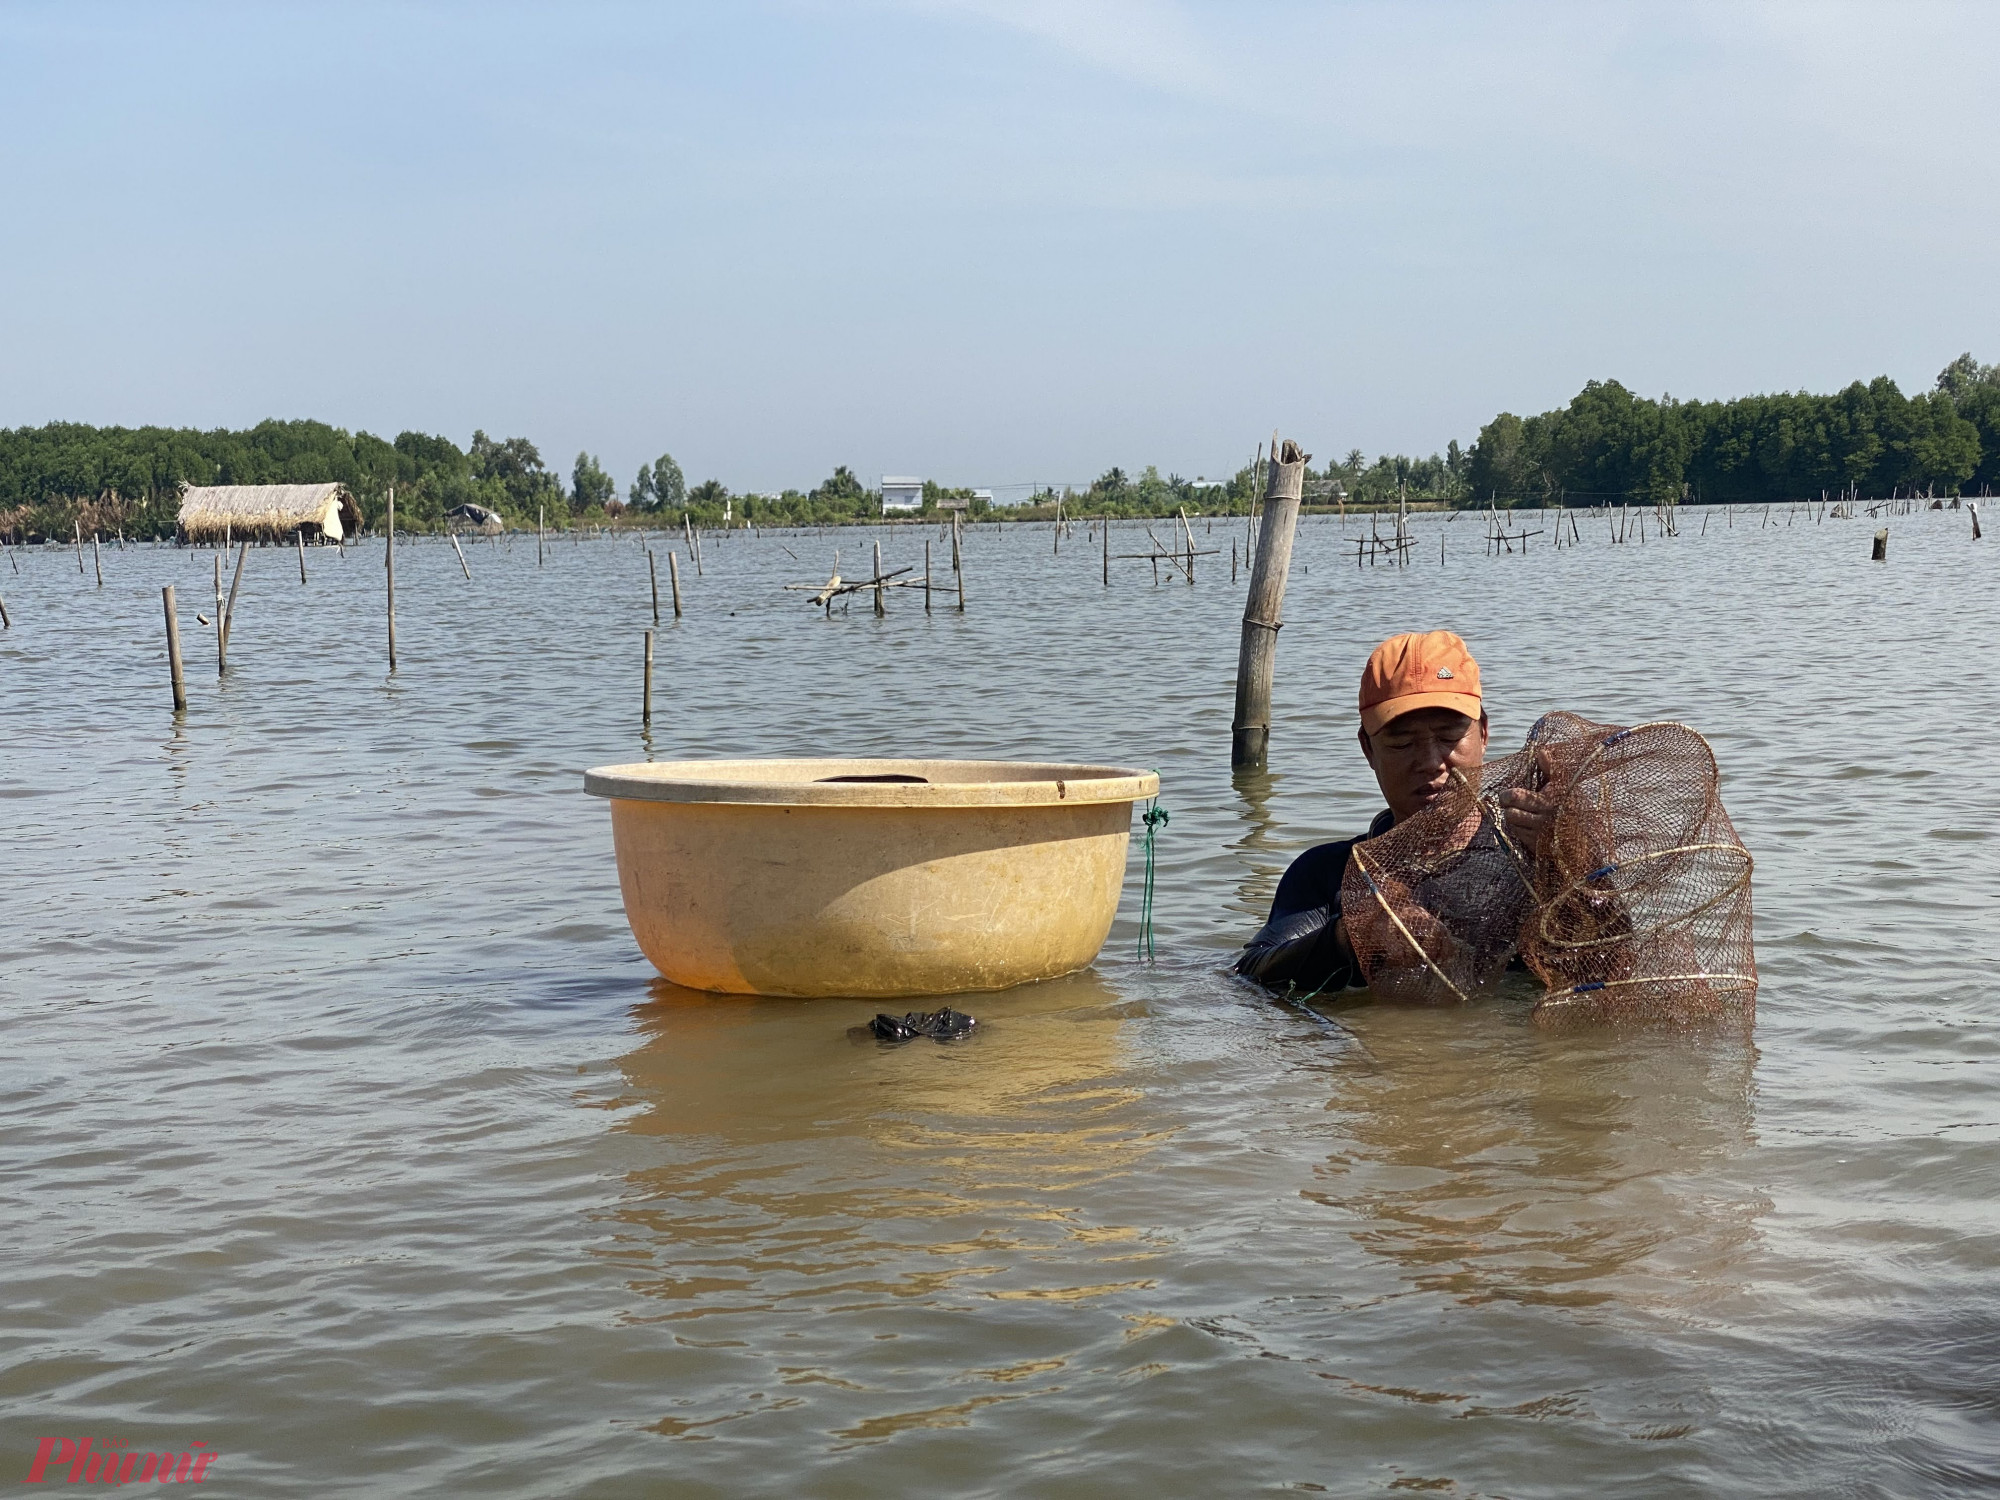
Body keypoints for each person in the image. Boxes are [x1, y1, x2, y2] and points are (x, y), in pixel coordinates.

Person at [1236, 630, 1553, 995]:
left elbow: (1614, 967)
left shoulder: (1532, 855)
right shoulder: (1327, 876)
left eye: (1449, 737)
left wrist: (1572, 866)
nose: (1432, 763)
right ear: (1368, 750)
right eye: (1402, 742)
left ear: (1483, 734)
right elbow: (1251, 976)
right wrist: (1352, 936)